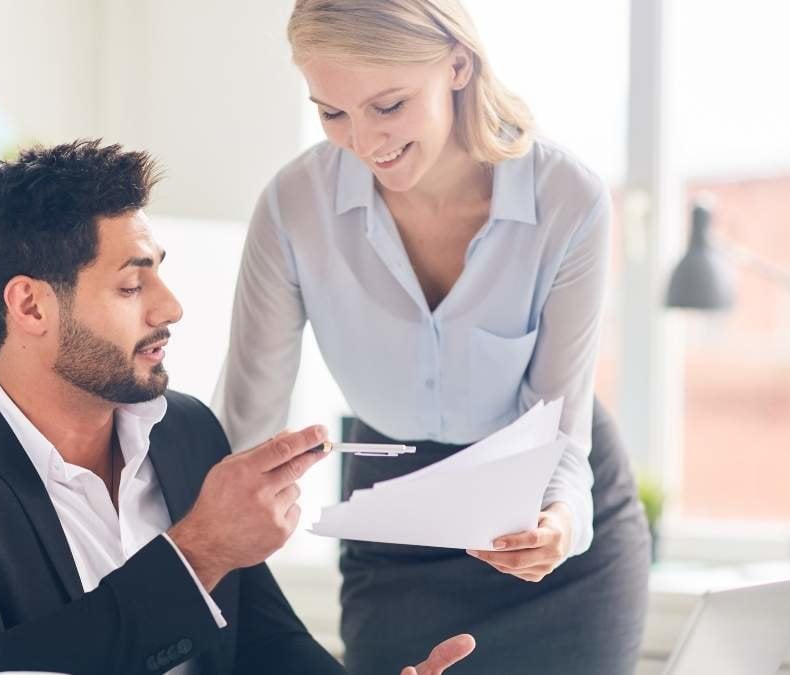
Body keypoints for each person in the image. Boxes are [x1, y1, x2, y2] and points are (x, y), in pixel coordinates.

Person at [0, 139, 474, 675]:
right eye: (132, 283)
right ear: (29, 306)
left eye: (157, 273)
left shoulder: (186, 430)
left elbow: (266, 646)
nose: (170, 307)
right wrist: (198, 552)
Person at [213, 1, 651, 672]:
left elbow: (561, 424)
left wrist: (558, 525)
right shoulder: (293, 207)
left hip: (544, 517)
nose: (363, 142)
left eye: (387, 105)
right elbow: (246, 428)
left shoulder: (568, 199)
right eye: (333, 112)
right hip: (394, 527)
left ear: (457, 64)